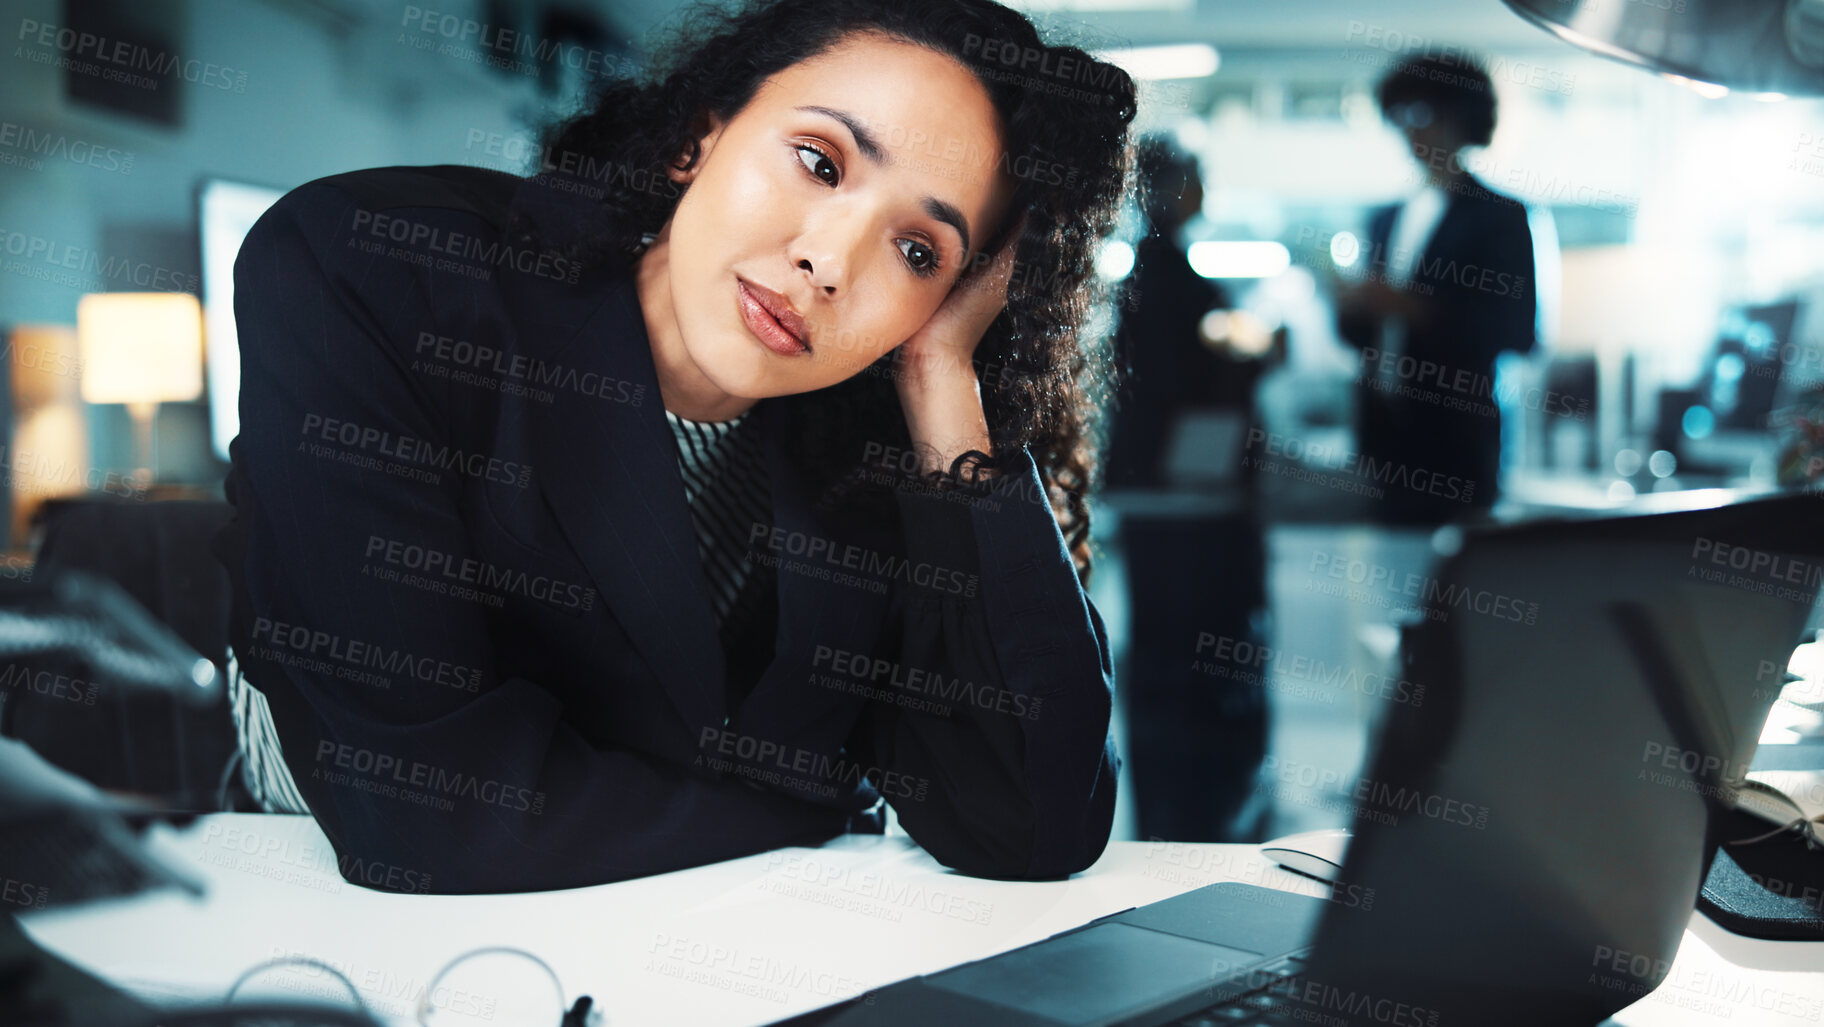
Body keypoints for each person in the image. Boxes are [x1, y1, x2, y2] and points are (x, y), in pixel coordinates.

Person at [216, 0, 1136, 893]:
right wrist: (802, 807)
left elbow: (1030, 822)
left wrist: (943, 383)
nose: (832, 260)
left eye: (920, 252)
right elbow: (426, 815)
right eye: (819, 161)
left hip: (699, 940)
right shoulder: (374, 271)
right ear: (697, 138)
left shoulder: (871, 436)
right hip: (328, 918)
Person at [1103, 136, 1271, 842]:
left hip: (1162, 503)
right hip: (1191, 509)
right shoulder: (1171, 277)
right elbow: (1193, 392)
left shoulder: (1151, 274)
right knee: (1197, 668)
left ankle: (1177, 815)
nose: (1199, 191)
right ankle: (1200, 820)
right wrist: (1245, 361)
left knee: (1166, 667)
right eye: (1192, 178)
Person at [1335, 53, 1538, 524]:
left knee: (1455, 583)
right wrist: (1351, 307)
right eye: (1401, 117)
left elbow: (1516, 332)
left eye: (1423, 116)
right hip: (1384, 436)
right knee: (1386, 582)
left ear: (1461, 118)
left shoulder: (1500, 217)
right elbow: (1363, 341)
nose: (1411, 132)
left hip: (1457, 440)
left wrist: (1413, 309)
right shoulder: (1384, 218)